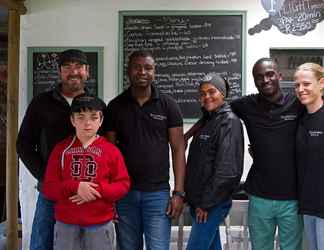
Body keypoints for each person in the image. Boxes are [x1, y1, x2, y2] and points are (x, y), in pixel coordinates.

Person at [103, 50, 186, 250]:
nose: (142, 72)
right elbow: (109, 153)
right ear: (128, 71)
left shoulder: (168, 105)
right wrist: (110, 194)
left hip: (157, 194)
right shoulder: (115, 107)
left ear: (154, 71)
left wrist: (179, 193)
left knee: (158, 247)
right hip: (124, 194)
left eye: (148, 68)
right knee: (128, 247)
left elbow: (178, 149)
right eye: (137, 67)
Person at [16, 49, 91, 250]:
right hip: (51, 191)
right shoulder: (41, 103)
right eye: (67, 67)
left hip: (86, 191)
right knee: (43, 242)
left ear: (87, 71)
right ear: (59, 72)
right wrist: (46, 176)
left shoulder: (94, 105)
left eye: (78, 67)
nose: (73, 72)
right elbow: (23, 144)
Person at [230, 58, 304, 250]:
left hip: (293, 197)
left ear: (279, 76)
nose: (265, 80)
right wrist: (186, 135)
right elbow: (215, 109)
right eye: (259, 77)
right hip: (260, 196)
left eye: (270, 74)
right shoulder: (245, 105)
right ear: (255, 81)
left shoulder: (297, 104)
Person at [42, 94, 130, 250]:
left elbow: (123, 185)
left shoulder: (111, 151)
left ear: (101, 120)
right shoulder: (60, 150)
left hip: (100, 224)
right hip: (66, 225)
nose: (87, 123)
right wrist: (75, 187)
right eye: (81, 117)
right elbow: (49, 188)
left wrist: (95, 190)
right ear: (72, 120)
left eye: (93, 117)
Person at [185, 73, 244, 250]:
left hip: (211, 203)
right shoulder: (208, 120)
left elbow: (227, 170)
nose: (207, 97)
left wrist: (206, 204)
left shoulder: (229, 122)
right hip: (199, 201)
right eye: (202, 93)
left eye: (212, 92)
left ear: (223, 94)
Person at [294, 63, 324, 250]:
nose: (301, 89)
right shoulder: (301, 119)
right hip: (308, 206)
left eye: (306, 84)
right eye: (297, 85)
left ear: (321, 83)